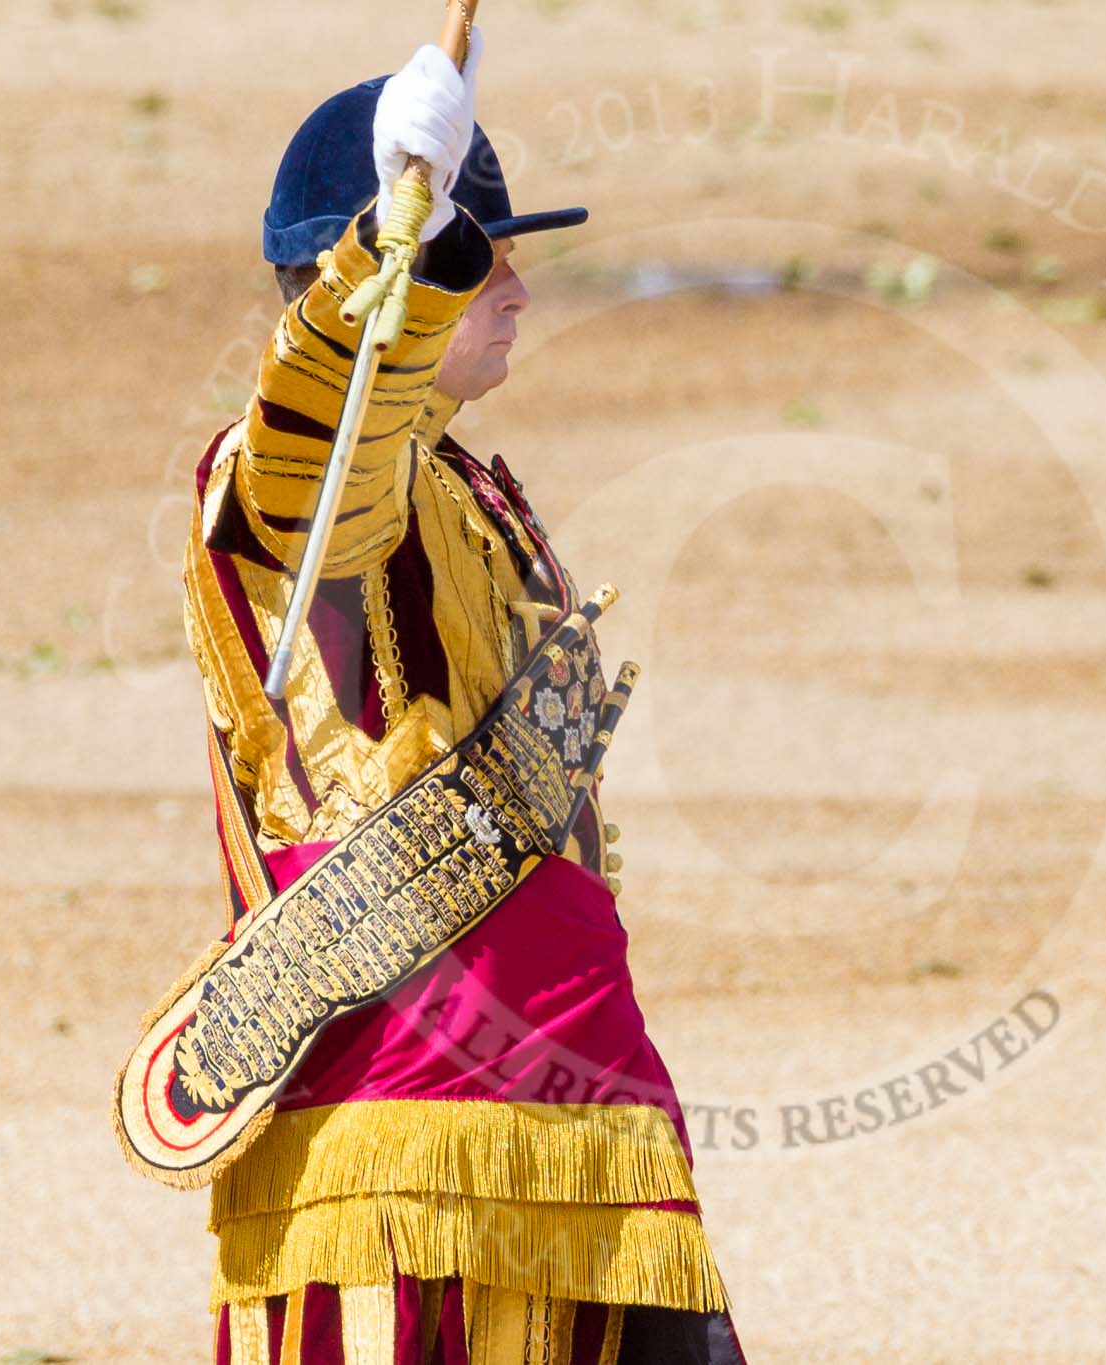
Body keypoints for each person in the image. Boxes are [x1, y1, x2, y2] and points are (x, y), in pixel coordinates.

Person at [173, 32, 748, 1365]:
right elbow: (327, 443)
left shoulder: (473, 487)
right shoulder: (291, 478)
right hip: (397, 1131)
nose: (520, 289)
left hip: (584, 1111)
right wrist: (398, 254)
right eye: (485, 257)